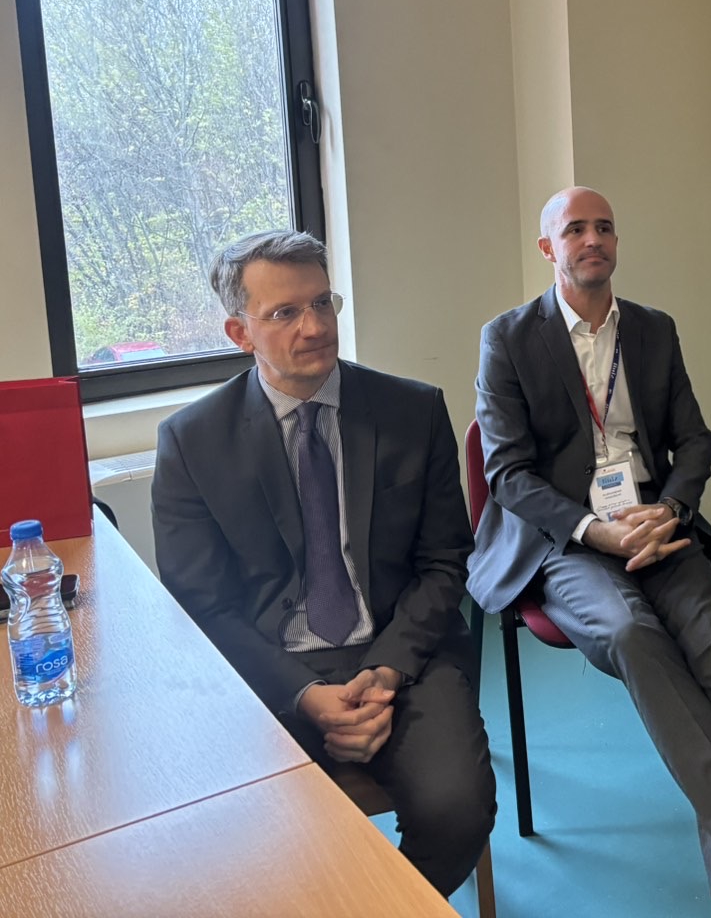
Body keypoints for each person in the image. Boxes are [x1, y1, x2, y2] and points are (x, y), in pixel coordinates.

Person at [468, 186, 711, 918]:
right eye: (575, 229)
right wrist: (595, 530)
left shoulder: (653, 329)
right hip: (565, 539)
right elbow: (507, 475)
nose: (593, 239)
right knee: (627, 630)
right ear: (548, 248)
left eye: (605, 227)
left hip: (655, 521)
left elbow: (695, 439)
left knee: (710, 644)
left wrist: (671, 509)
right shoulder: (508, 338)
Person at [152, 231, 494, 897]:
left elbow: (444, 561)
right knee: (235, 839)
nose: (314, 327)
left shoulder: (412, 411)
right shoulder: (192, 442)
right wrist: (306, 696)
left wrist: (387, 670)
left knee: (457, 809)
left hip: (402, 651)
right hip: (270, 667)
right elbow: (201, 604)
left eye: (322, 303)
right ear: (239, 332)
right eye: (284, 312)